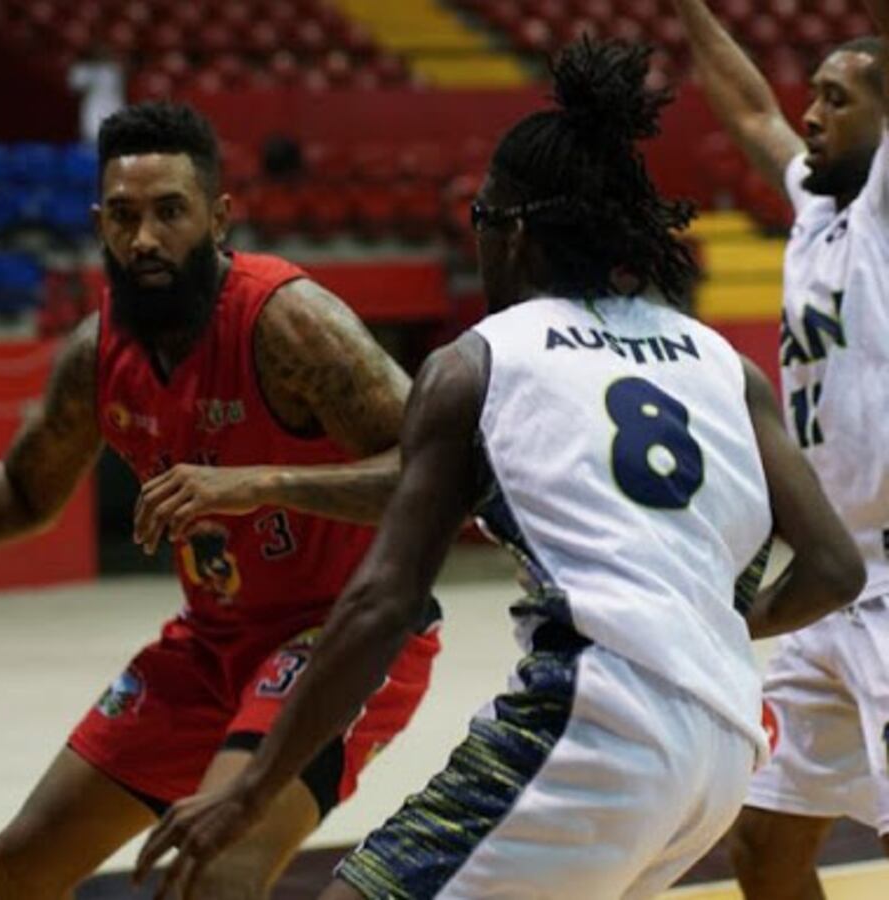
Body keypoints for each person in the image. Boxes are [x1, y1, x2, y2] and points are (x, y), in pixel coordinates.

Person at [134, 39, 866, 900]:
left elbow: (382, 603)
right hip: (724, 752)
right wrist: (701, 629)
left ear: (514, 231)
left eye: (482, 218)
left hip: (594, 729)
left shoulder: (478, 362)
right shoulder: (724, 365)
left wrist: (251, 789)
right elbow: (834, 567)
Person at [0, 102, 442, 900]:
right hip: (213, 643)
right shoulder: (97, 355)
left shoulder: (288, 323)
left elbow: (436, 471)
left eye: (169, 212)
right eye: (124, 217)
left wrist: (263, 483)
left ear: (218, 218)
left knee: (213, 873)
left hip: (344, 629)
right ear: (99, 225)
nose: (145, 239)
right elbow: (24, 492)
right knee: (22, 864)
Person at [673, 1, 889, 892]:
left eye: (838, 99)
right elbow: (752, 108)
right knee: (763, 845)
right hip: (834, 580)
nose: (812, 113)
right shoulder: (815, 203)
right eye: (817, 94)